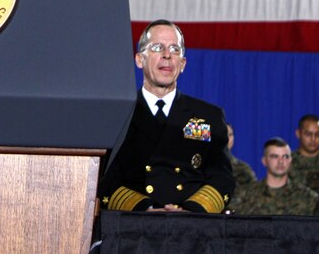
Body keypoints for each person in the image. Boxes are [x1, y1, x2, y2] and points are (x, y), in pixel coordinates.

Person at [98, 20, 235, 213]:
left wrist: (192, 211)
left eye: (175, 49)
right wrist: (144, 209)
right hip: (133, 225)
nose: (167, 55)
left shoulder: (208, 116)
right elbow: (102, 178)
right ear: (139, 60)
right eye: (157, 47)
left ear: (183, 64)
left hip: (192, 226)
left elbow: (222, 178)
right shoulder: (116, 116)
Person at [231, 138, 319, 216]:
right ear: (264, 161)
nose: (280, 161)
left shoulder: (308, 198)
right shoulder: (245, 196)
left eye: (285, 157)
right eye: (275, 156)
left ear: (290, 160)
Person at [226, 122, 257, 187]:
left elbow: (255, 192)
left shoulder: (243, 169)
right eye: (223, 134)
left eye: (230, 134)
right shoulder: (202, 166)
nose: (227, 139)